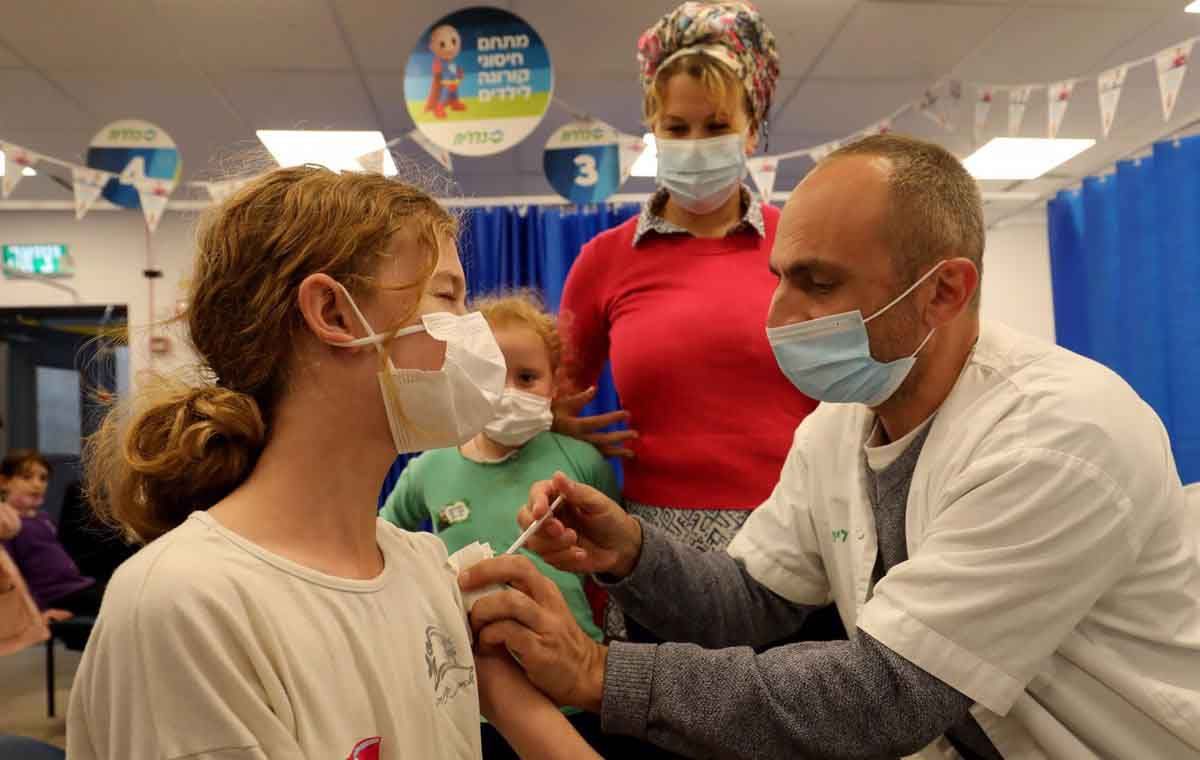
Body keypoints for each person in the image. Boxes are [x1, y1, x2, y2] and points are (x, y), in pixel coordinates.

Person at [461, 134, 1200, 759]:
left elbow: (886, 692)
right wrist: (630, 551)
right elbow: (755, 599)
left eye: (817, 283)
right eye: (778, 277)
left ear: (943, 291)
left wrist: (597, 671)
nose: (778, 314)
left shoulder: (1060, 435)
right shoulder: (839, 424)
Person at [68, 166, 601, 760]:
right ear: (335, 313)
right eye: (447, 296)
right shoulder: (187, 604)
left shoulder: (424, 568)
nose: (472, 336)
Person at [554, 1, 821, 641]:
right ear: (651, 128)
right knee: (661, 725)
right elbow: (546, 389)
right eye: (675, 127)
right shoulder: (605, 260)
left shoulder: (802, 249)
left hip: (799, 543)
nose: (695, 144)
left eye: (716, 125)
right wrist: (550, 421)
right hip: (656, 554)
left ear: (753, 129)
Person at [379, 290, 617, 757]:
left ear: (555, 384)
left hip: (576, 696)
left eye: (527, 377)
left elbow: (611, 575)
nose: (509, 392)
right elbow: (381, 538)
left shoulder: (581, 463)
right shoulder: (430, 469)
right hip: (476, 697)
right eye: (492, 375)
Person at [1, 450, 103, 617]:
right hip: (57, 596)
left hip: (77, 585)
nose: (37, 484)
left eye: (43, 478)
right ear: (4, 482)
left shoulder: (42, 519)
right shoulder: (7, 525)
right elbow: (12, 577)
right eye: (27, 477)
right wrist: (40, 612)